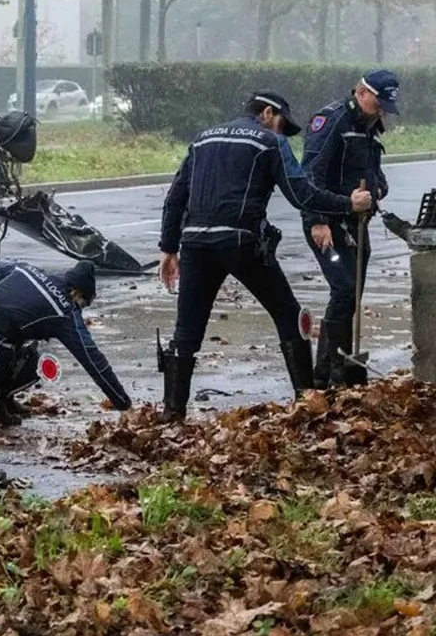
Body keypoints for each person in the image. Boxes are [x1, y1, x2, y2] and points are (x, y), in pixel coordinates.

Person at [158, 92, 373, 421]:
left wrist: (168, 248)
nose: (282, 131)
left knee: (186, 332)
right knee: (289, 316)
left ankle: (171, 415)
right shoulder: (269, 142)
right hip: (243, 242)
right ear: (268, 112)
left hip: (195, 244)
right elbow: (302, 193)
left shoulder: (203, 139)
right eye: (282, 124)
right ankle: (307, 402)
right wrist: (348, 204)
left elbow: (175, 197)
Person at [0, 258, 132, 424]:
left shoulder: (25, 269)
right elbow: (93, 359)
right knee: (35, 361)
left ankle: (5, 399)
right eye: (83, 303)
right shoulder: (65, 312)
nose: (80, 309)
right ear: (76, 293)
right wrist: (123, 404)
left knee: (16, 340)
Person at [302, 70, 399, 387]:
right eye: (378, 103)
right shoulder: (332, 121)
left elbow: (371, 168)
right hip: (329, 225)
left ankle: (329, 369)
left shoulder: (369, 125)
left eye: (386, 106)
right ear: (361, 92)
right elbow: (311, 173)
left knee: (350, 295)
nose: (381, 110)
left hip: (358, 224)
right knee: (343, 291)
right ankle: (333, 373)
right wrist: (317, 220)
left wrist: (378, 188)